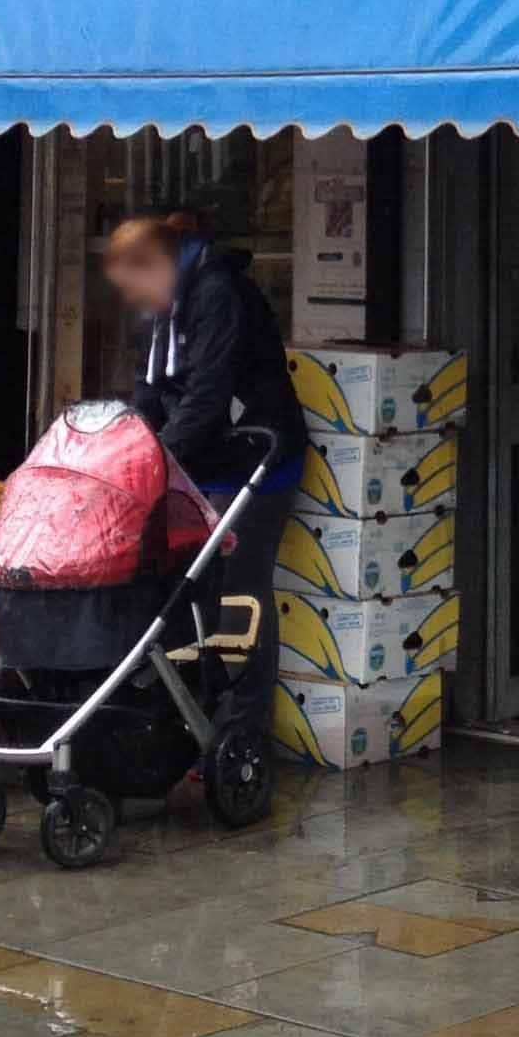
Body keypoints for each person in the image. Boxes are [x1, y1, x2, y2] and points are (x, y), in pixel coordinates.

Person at [104, 210, 305, 740]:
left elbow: (206, 396)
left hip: (254, 457)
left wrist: (156, 458)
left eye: (135, 285)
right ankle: (190, 721)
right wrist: (125, 447)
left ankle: (244, 729)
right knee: (187, 590)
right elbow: (151, 388)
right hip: (202, 461)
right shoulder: (168, 307)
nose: (133, 299)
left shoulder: (218, 295)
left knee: (239, 592)